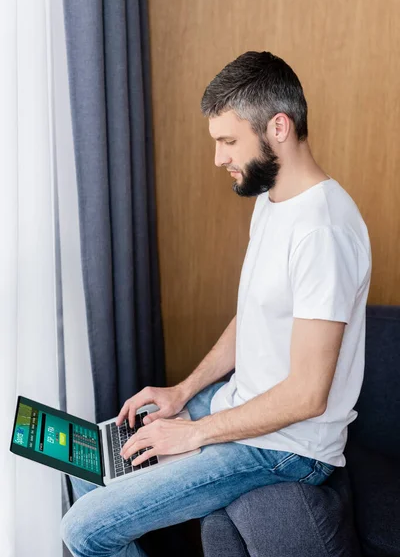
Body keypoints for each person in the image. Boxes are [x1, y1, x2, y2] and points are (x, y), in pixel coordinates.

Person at [61, 51, 372, 557]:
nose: (218, 158)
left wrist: (195, 435)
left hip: (287, 447)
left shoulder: (324, 231)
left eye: (228, 141)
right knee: (92, 462)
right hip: (244, 406)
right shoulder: (271, 201)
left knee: (84, 530)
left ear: (278, 127)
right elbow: (253, 315)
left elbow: (309, 396)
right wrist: (182, 392)